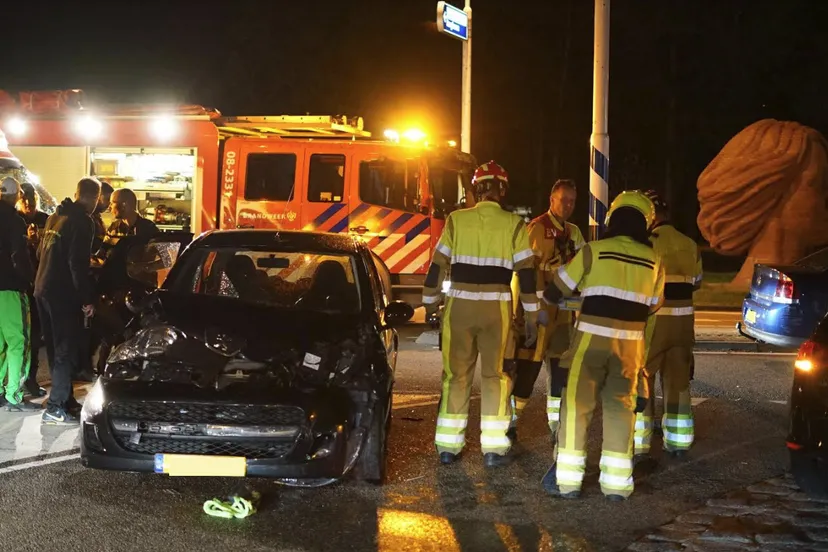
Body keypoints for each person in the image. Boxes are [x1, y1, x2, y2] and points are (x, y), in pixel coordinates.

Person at [541, 190, 664, 501]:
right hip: (629, 350)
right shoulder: (654, 261)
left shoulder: (593, 251)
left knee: (577, 409)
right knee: (621, 411)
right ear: (645, 224)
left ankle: (568, 483)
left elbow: (558, 288)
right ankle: (616, 485)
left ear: (612, 218)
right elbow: (653, 305)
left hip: (590, 345)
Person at [422, 161, 542, 468]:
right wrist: (531, 315)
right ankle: (493, 448)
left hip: (459, 307)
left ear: (476, 189)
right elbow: (526, 274)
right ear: (502, 190)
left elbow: (437, 265)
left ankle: (449, 447)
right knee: (495, 377)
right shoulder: (514, 224)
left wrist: (430, 302)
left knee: (455, 377)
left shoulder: (456, 220)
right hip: (495, 311)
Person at [507, 179, 585, 442]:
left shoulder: (573, 232)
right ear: (552, 200)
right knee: (528, 369)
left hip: (563, 314)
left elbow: (584, 265)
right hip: (538, 312)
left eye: (573, 201)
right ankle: (511, 422)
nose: (568, 206)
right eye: (564, 200)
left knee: (560, 369)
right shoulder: (537, 228)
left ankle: (556, 424)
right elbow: (524, 271)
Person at [634, 190, 702, 462]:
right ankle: (678, 442)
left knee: (643, 379)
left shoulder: (647, 244)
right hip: (683, 325)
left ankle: (640, 443)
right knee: (678, 383)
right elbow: (696, 281)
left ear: (650, 216)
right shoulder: (689, 243)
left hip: (655, 323)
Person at [35, 178, 101, 425]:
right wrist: (87, 298)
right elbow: (77, 264)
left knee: (55, 349)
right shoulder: (82, 222)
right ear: (94, 198)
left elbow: (42, 253)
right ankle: (54, 406)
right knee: (65, 349)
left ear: (76, 193)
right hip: (62, 293)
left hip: (42, 288)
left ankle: (65, 399)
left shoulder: (55, 217)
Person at [0, 177, 38, 411]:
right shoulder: (15, 221)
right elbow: (18, 257)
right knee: (18, 342)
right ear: (16, 196)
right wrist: (31, 278)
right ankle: (14, 393)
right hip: (11, 289)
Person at [16, 182, 48, 397]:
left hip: (38, 282)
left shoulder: (45, 219)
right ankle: (13, 381)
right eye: (24, 199)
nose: (28, 204)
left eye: (31, 199)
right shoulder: (13, 220)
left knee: (35, 335)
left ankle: (30, 379)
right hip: (18, 284)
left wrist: (37, 242)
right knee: (16, 337)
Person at [91, 179, 114, 260]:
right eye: (108, 200)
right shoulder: (89, 218)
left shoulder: (97, 217)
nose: (109, 205)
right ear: (99, 196)